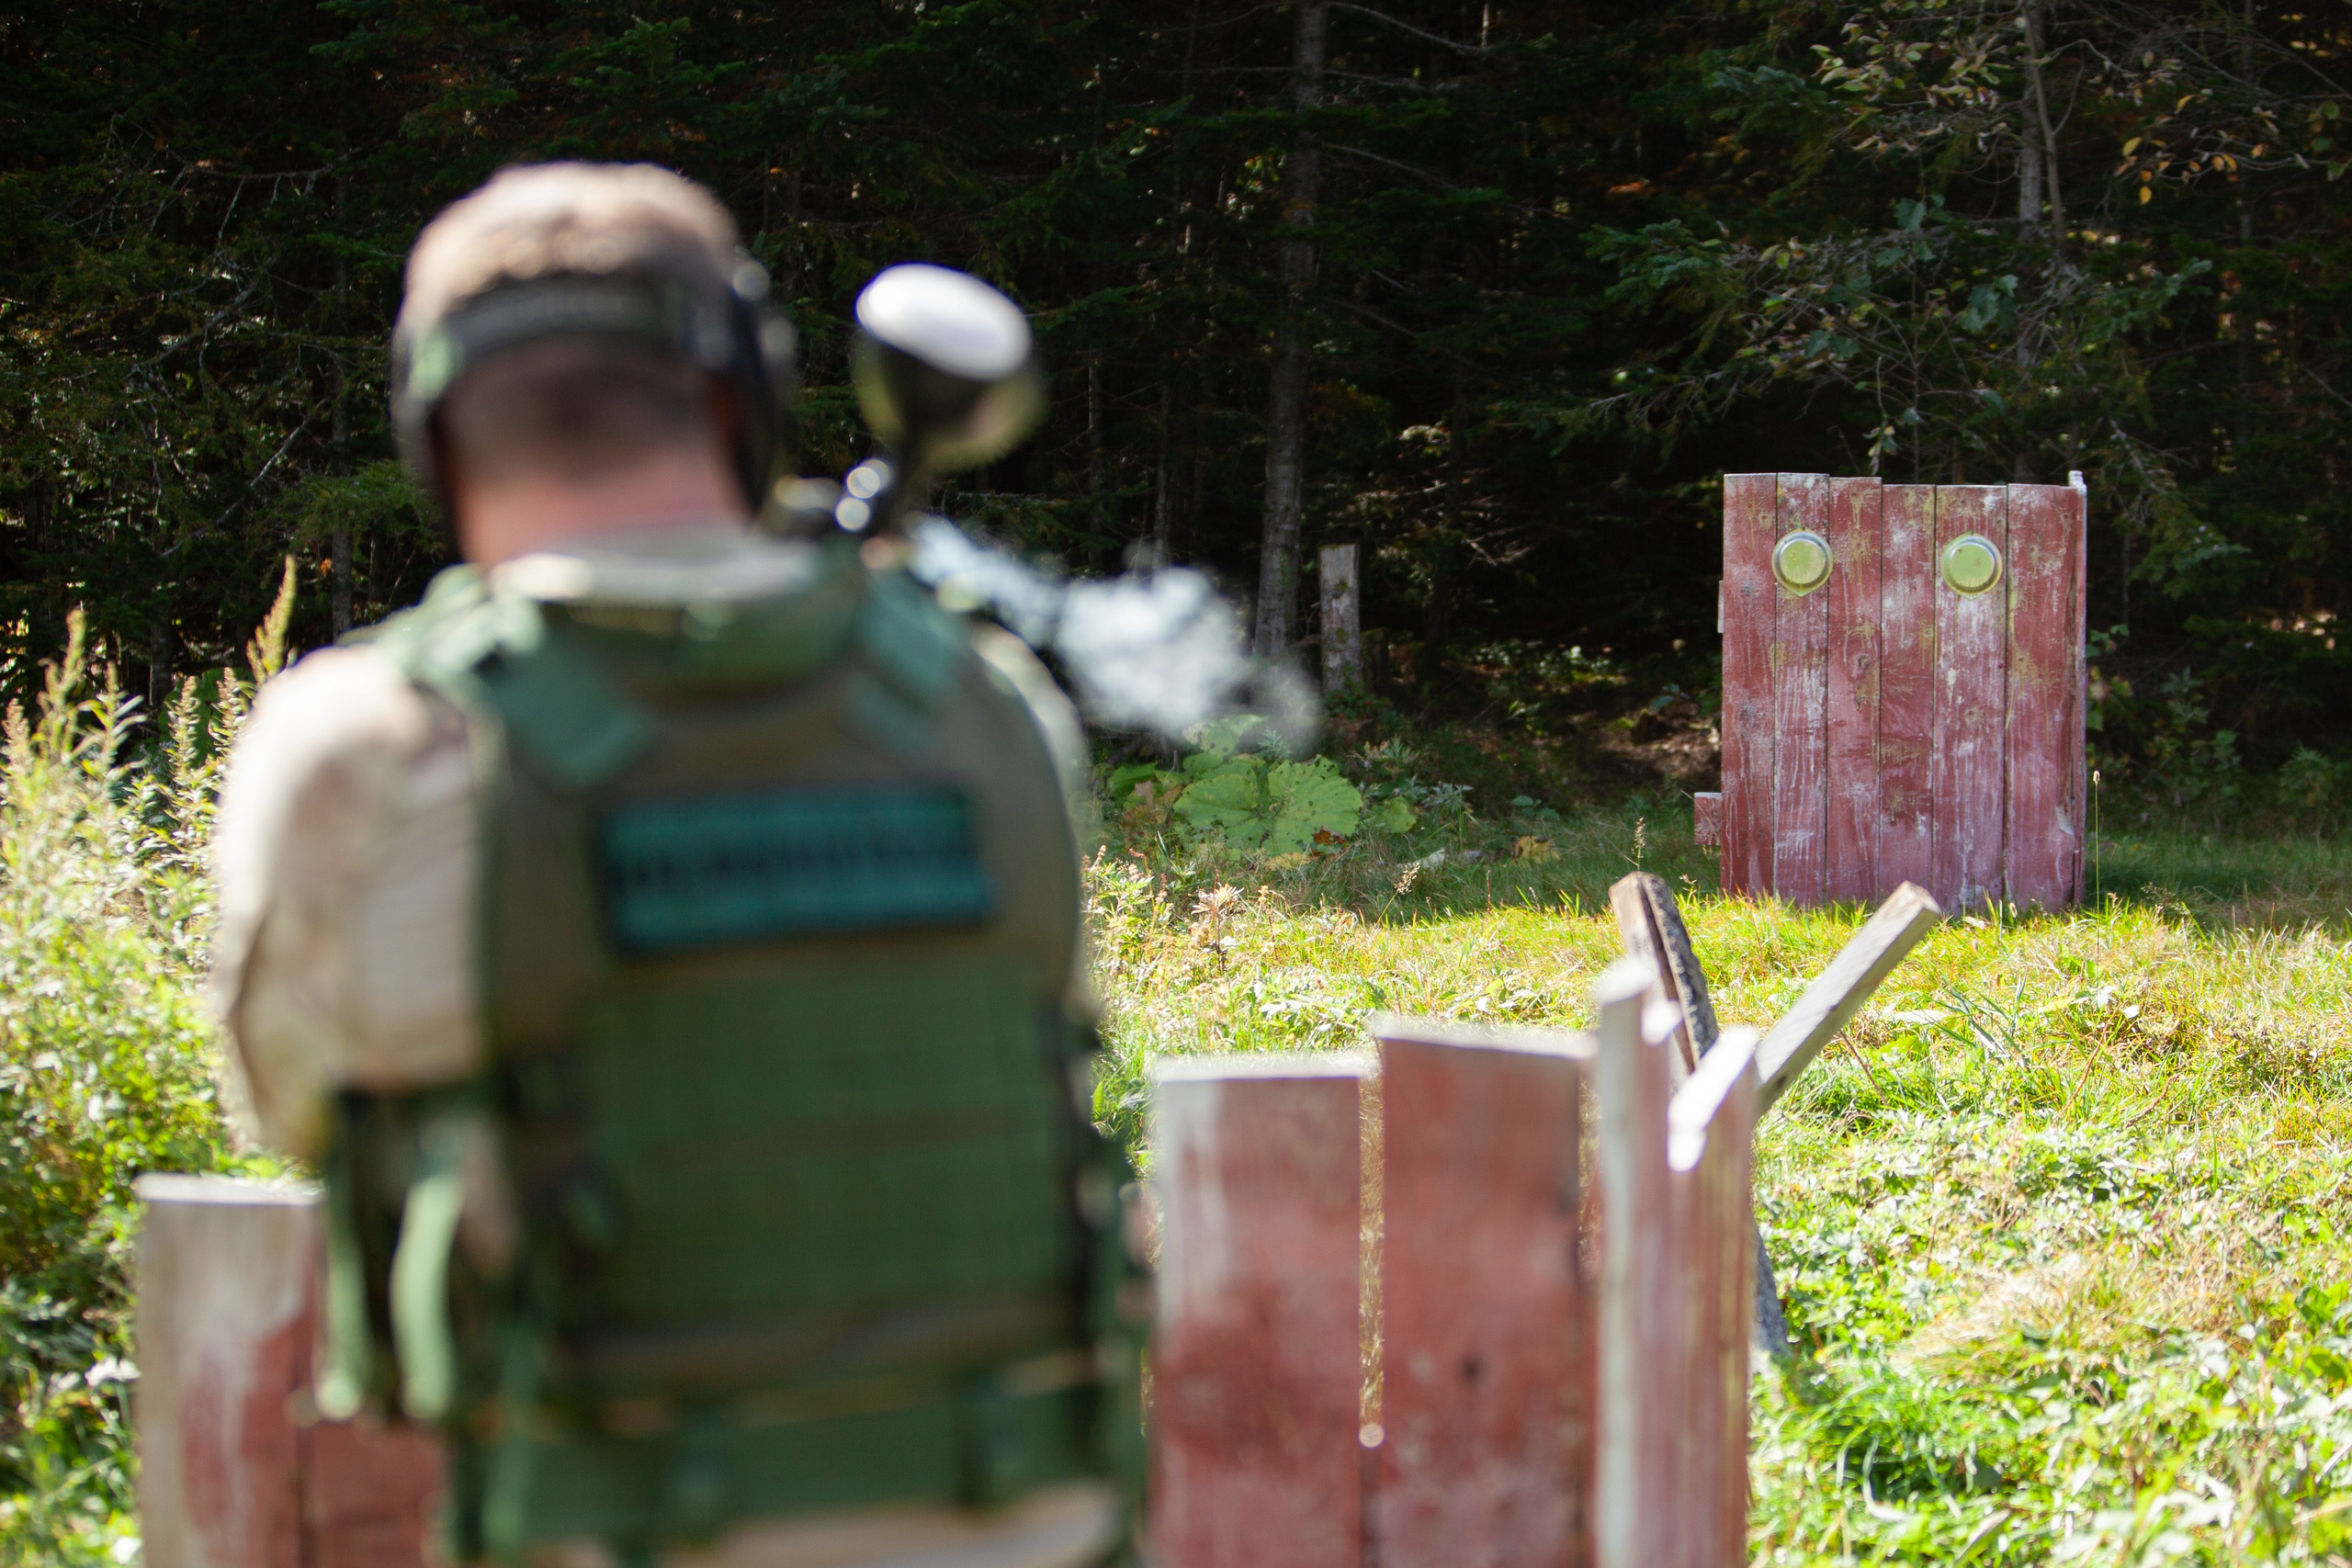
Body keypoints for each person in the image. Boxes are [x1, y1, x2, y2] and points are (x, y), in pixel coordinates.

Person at [210, 162, 1136, 1567]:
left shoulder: (365, 752)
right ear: (741, 396)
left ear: (437, 436)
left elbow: (291, 1113)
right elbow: (1047, 1034)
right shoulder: (988, 704)